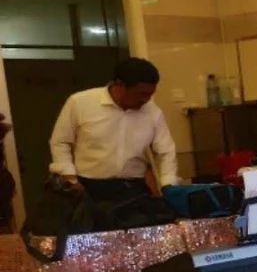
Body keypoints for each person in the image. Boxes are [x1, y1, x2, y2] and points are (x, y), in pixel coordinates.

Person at [49, 57, 178, 195]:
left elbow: (166, 151)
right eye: (141, 94)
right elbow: (61, 141)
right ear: (119, 85)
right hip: (88, 187)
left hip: (133, 187)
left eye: (150, 94)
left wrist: (168, 185)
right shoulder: (79, 102)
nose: (146, 100)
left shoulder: (153, 111)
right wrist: (70, 177)